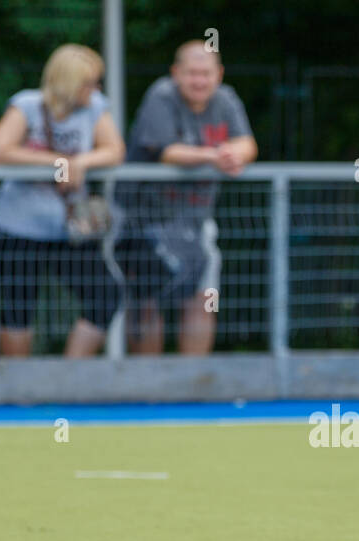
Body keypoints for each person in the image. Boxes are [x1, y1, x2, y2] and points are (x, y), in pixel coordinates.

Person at [0, 44, 125, 357]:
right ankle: (18, 391)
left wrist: (81, 163)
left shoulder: (95, 107)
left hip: (69, 230)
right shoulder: (27, 105)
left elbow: (114, 150)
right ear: (68, 82)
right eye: (89, 83)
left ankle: (66, 377)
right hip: (19, 227)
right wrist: (56, 162)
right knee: (17, 307)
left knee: (105, 294)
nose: (95, 89)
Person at [117, 40, 257, 355]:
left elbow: (248, 144)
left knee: (203, 296)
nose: (199, 81)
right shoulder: (161, 95)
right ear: (176, 73)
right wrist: (215, 156)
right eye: (192, 73)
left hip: (197, 222)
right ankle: (149, 389)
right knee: (146, 300)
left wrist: (234, 155)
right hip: (144, 221)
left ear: (218, 74)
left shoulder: (227, 99)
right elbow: (167, 152)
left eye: (205, 73)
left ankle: (193, 385)